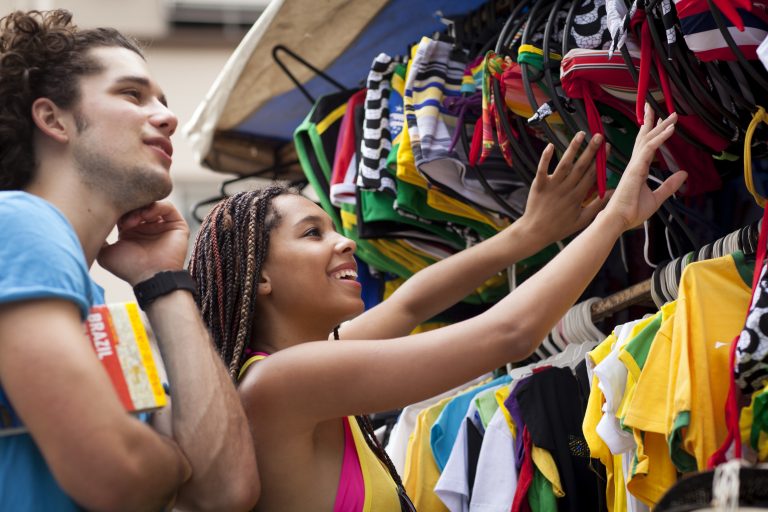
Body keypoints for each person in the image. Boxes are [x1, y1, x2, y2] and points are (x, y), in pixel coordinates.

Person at [189, 104, 686, 511]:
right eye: (312, 234)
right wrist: (614, 218)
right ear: (259, 277)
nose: (346, 243)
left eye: (334, 229)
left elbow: (412, 303)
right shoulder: (282, 380)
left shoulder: (297, 364)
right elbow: (509, 334)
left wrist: (528, 234)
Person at [0, 9, 258, 511]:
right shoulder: (19, 223)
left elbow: (226, 490)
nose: (167, 117)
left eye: (162, 101)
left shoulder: (95, 306)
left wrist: (163, 280)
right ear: (53, 119)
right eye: (132, 95)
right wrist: (176, 463)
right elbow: (115, 475)